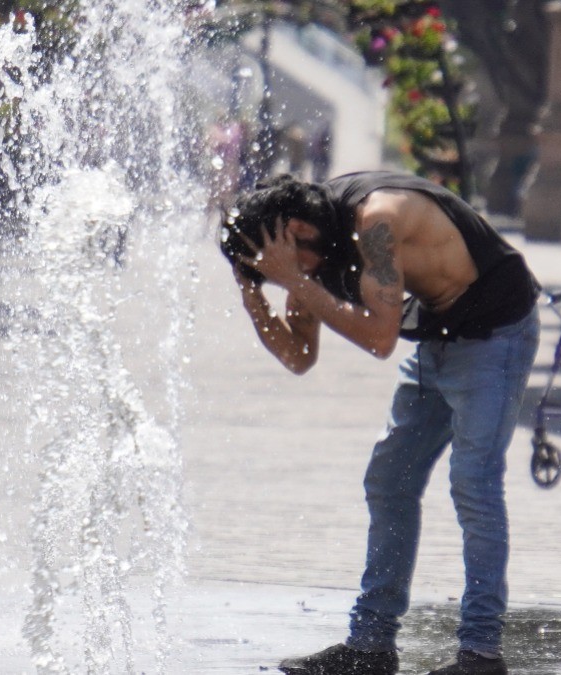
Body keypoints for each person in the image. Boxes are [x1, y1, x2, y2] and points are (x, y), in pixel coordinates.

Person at [220, 171, 541, 675]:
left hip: (496, 331)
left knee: (473, 483)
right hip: (438, 335)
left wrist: (296, 280)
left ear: (296, 231)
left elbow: (379, 339)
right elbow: (299, 355)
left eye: (274, 270)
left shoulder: (377, 222)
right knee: (390, 481)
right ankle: (370, 646)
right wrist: (252, 293)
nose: (279, 279)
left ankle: (481, 654)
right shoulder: (307, 252)